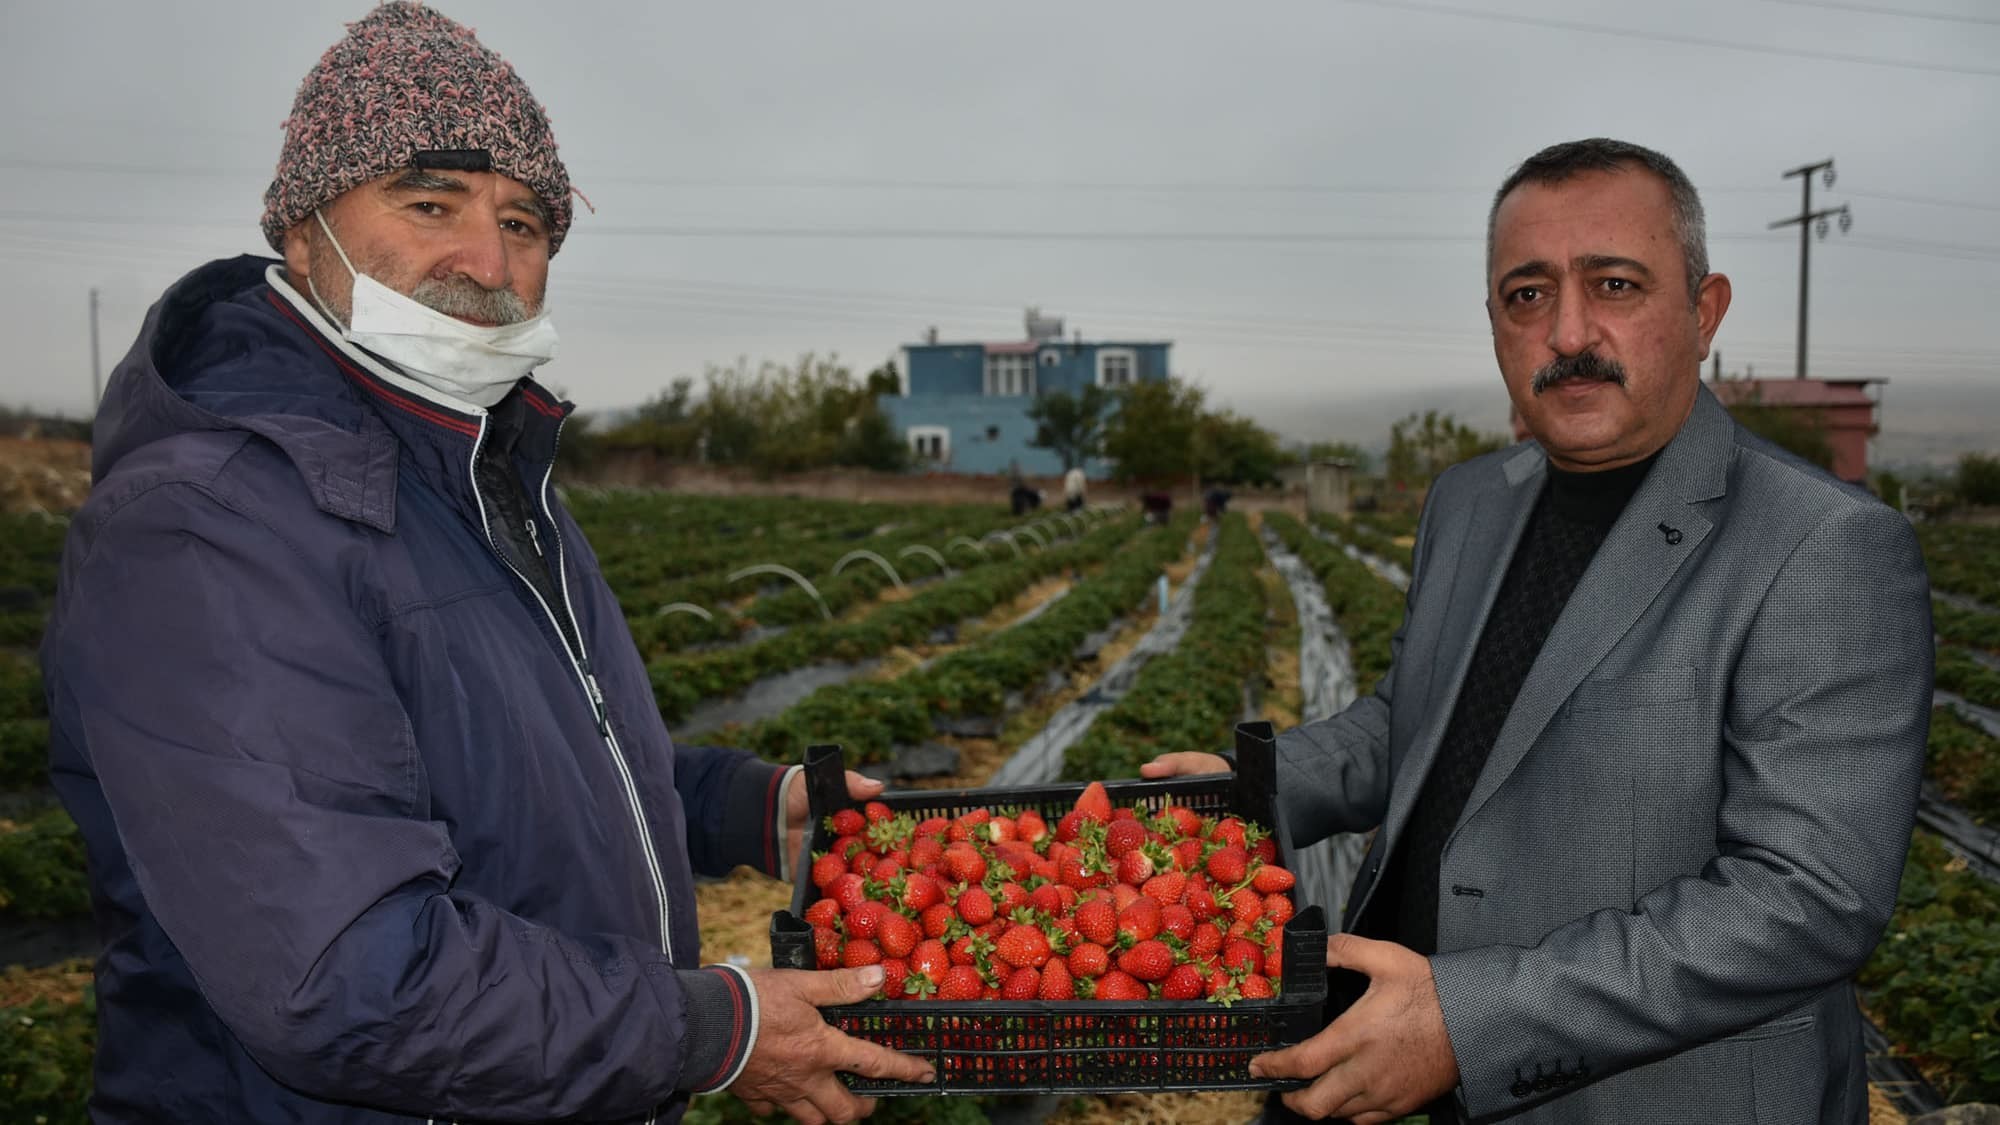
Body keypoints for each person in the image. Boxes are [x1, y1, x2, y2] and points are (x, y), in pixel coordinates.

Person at [40, 5, 931, 1122]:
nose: (488, 261)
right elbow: (347, 978)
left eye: (525, 222)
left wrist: (754, 810)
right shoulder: (207, 525)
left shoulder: (482, 467)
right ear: (302, 228)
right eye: (429, 203)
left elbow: (523, 768)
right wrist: (706, 1026)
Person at [1143, 138, 1931, 1123]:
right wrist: (1249, 788)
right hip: (1381, 1050)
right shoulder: (1471, 500)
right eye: (1525, 295)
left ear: (1704, 308)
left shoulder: (1820, 546)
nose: (1566, 331)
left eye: (1612, 284)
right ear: (1492, 323)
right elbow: (1418, 721)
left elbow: (1804, 900)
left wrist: (1469, 1021)